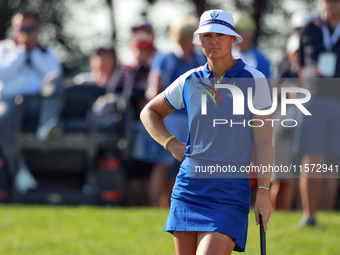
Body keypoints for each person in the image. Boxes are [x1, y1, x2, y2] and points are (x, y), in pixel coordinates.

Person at [140, 9, 273, 254]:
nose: (214, 40)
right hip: (189, 190)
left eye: (221, 35)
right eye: (208, 35)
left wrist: (264, 191)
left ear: (233, 39)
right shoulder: (190, 80)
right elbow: (149, 112)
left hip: (229, 193)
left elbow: (264, 142)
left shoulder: (255, 80)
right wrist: (171, 143)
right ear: (199, 40)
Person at [146, 15, 206, 207]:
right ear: (182, 37)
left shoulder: (199, 58)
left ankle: (173, 206)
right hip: (169, 119)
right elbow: (154, 90)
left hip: (191, 120)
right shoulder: (166, 58)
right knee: (163, 164)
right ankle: (155, 206)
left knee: (183, 167)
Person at [0, 10, 63, 194]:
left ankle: (46, 128)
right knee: (1, 117)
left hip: (38, 102)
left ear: (37, 29)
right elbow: (3, 73)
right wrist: (21, 51)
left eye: (30, 28)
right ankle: (20, 171)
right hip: (10, 102)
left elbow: (54, 75)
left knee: (56, 82)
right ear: (14, 29)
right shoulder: (4, 48)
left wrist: (34, 52)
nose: (26, 32)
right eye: (22, 28)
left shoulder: (47, 51)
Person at [294, 0, 340, 227]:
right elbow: (301, 64)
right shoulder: (310, 26)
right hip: (314, 98)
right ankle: (309, 215)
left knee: (333, 162)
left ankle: (330, 214)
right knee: (312, 157)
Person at [232, 11, 271, 78]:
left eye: (239, 31)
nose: (235, 34)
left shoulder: (261, 61)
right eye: (234, 31)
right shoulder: (220, 54)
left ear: (251, 33)